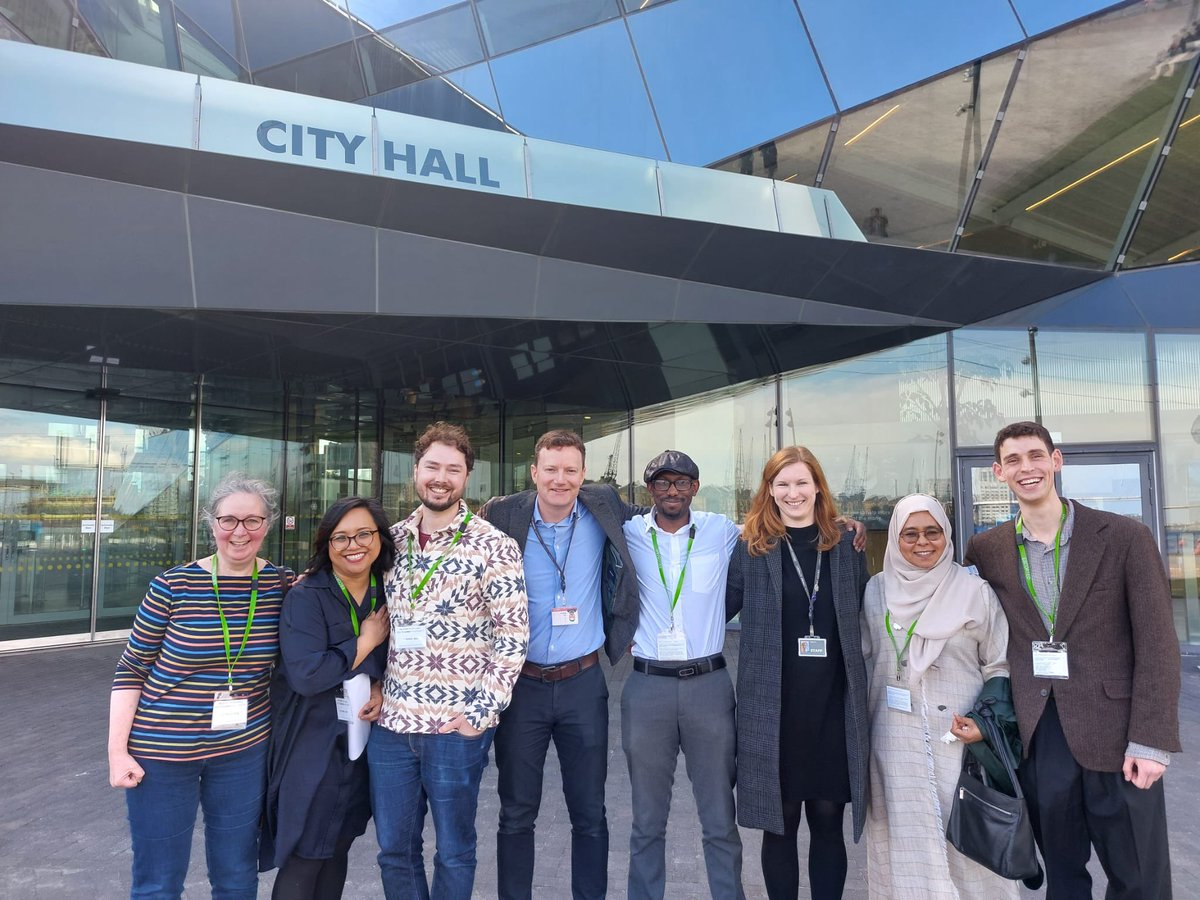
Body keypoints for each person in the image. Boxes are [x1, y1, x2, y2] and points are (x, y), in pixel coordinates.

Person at [964, 421, 1181, 899]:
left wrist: (1152, 741)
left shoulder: (1124, 536)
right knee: (1063, 879)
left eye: (1035, 456)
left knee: (1140, 879)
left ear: (1055, 461)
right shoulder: (987, 549)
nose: (1026, 468)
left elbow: (1158, 643)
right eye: (1013, 460)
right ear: (999, 472)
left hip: (1119, 736)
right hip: (1041, 735)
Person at [108, 473, 288, 900]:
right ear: (212, 524)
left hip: (242, 752)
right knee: (158, 882)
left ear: (267, 525)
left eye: (253, 520)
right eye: (229, 520)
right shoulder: (173, 585)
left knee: (237, 876)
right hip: (162, 754)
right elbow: (131, 668)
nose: (240, 532)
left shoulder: (282, 585)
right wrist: (117, 752)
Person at [481, 429, 642, 900]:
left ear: (583, 473)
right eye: (550, 469)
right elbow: (449, 539)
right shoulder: (503, 514)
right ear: (534, 472)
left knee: (590, 812)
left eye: (570, 470)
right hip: (521, 686)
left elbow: (664, 518)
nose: (560, 479)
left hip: (583, 683)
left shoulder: (604, 505)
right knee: (516, 812)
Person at [370, 422, 529, 900]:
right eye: (432, 467)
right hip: (392, 726)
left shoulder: (494, 545)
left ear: (467, 477)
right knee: (393, 850)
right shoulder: (390, 541)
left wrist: (479, 715)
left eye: (453, 470)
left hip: (454, 728)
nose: (441, 478)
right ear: (416, 470)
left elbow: (513, 636)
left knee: (454, 851)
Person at [725, 446, 870, 900]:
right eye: (782, 484)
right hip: (774, 710)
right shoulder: (751, 547)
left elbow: (869, 609)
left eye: (802, 482)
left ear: (818, 487)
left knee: (828, 821)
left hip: (832, 708)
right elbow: (717, 608)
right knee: (780, 825)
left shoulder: (846, 545)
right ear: (769, 490)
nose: (793, 493)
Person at [862, 493, 1018, 899]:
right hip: (892, 744)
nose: (922, 542)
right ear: (895, 539)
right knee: (903, 845)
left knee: (967, 843)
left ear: (946, 535)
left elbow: (999, 664)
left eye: (932, 532)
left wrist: (985, 724)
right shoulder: (876, 592)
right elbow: (863, 661)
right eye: (910, 534)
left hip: (960, 740)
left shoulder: (974, 591)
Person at [621, 450, 744, 900]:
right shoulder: (630, 533)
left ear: (695, 487)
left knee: (720, 819)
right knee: (646, 821)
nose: (672, 491)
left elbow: (779, 527)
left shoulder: (721, 530)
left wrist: (845, 524)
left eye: (681, 483)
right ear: (649, 489)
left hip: (708, 688)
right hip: (647, 687)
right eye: (662, 483)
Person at [261, 497, 394, 899]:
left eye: (364, 534)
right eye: (341, 537)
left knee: (338, 846)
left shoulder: (389, 590)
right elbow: (307, 674)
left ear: (380, 538)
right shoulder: (306, 596)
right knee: (306, 852)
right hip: (313, 743)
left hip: (361, 744)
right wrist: (366, 641)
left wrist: (378, 685)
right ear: (326, 543)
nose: (354, 545)